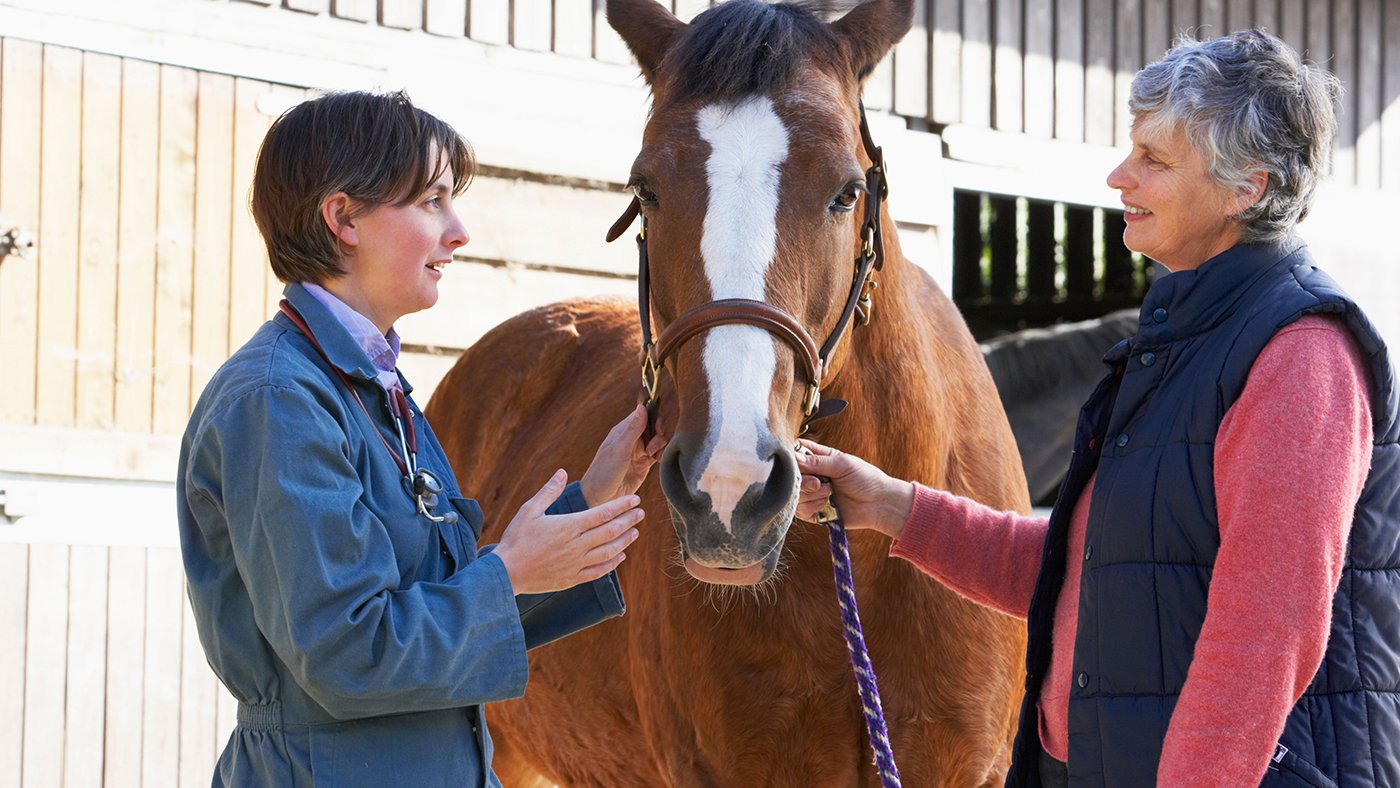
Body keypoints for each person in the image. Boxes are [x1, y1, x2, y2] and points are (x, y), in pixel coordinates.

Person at [797, 30, 1398, 787]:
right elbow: (1086, 580)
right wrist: (890, 506)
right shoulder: (1180, 340)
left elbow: (1262, 644)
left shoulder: (1299, 358)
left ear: (1248, 185)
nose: (1120, 176)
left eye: (1155, 159)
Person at [177, 90, 664, 787]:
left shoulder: (374, 387)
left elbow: (441, 615)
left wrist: (602, 489)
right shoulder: (279, 401)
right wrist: (511, 572)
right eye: (432, 201)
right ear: (343, 217)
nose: (458, 231)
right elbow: (347, 655)